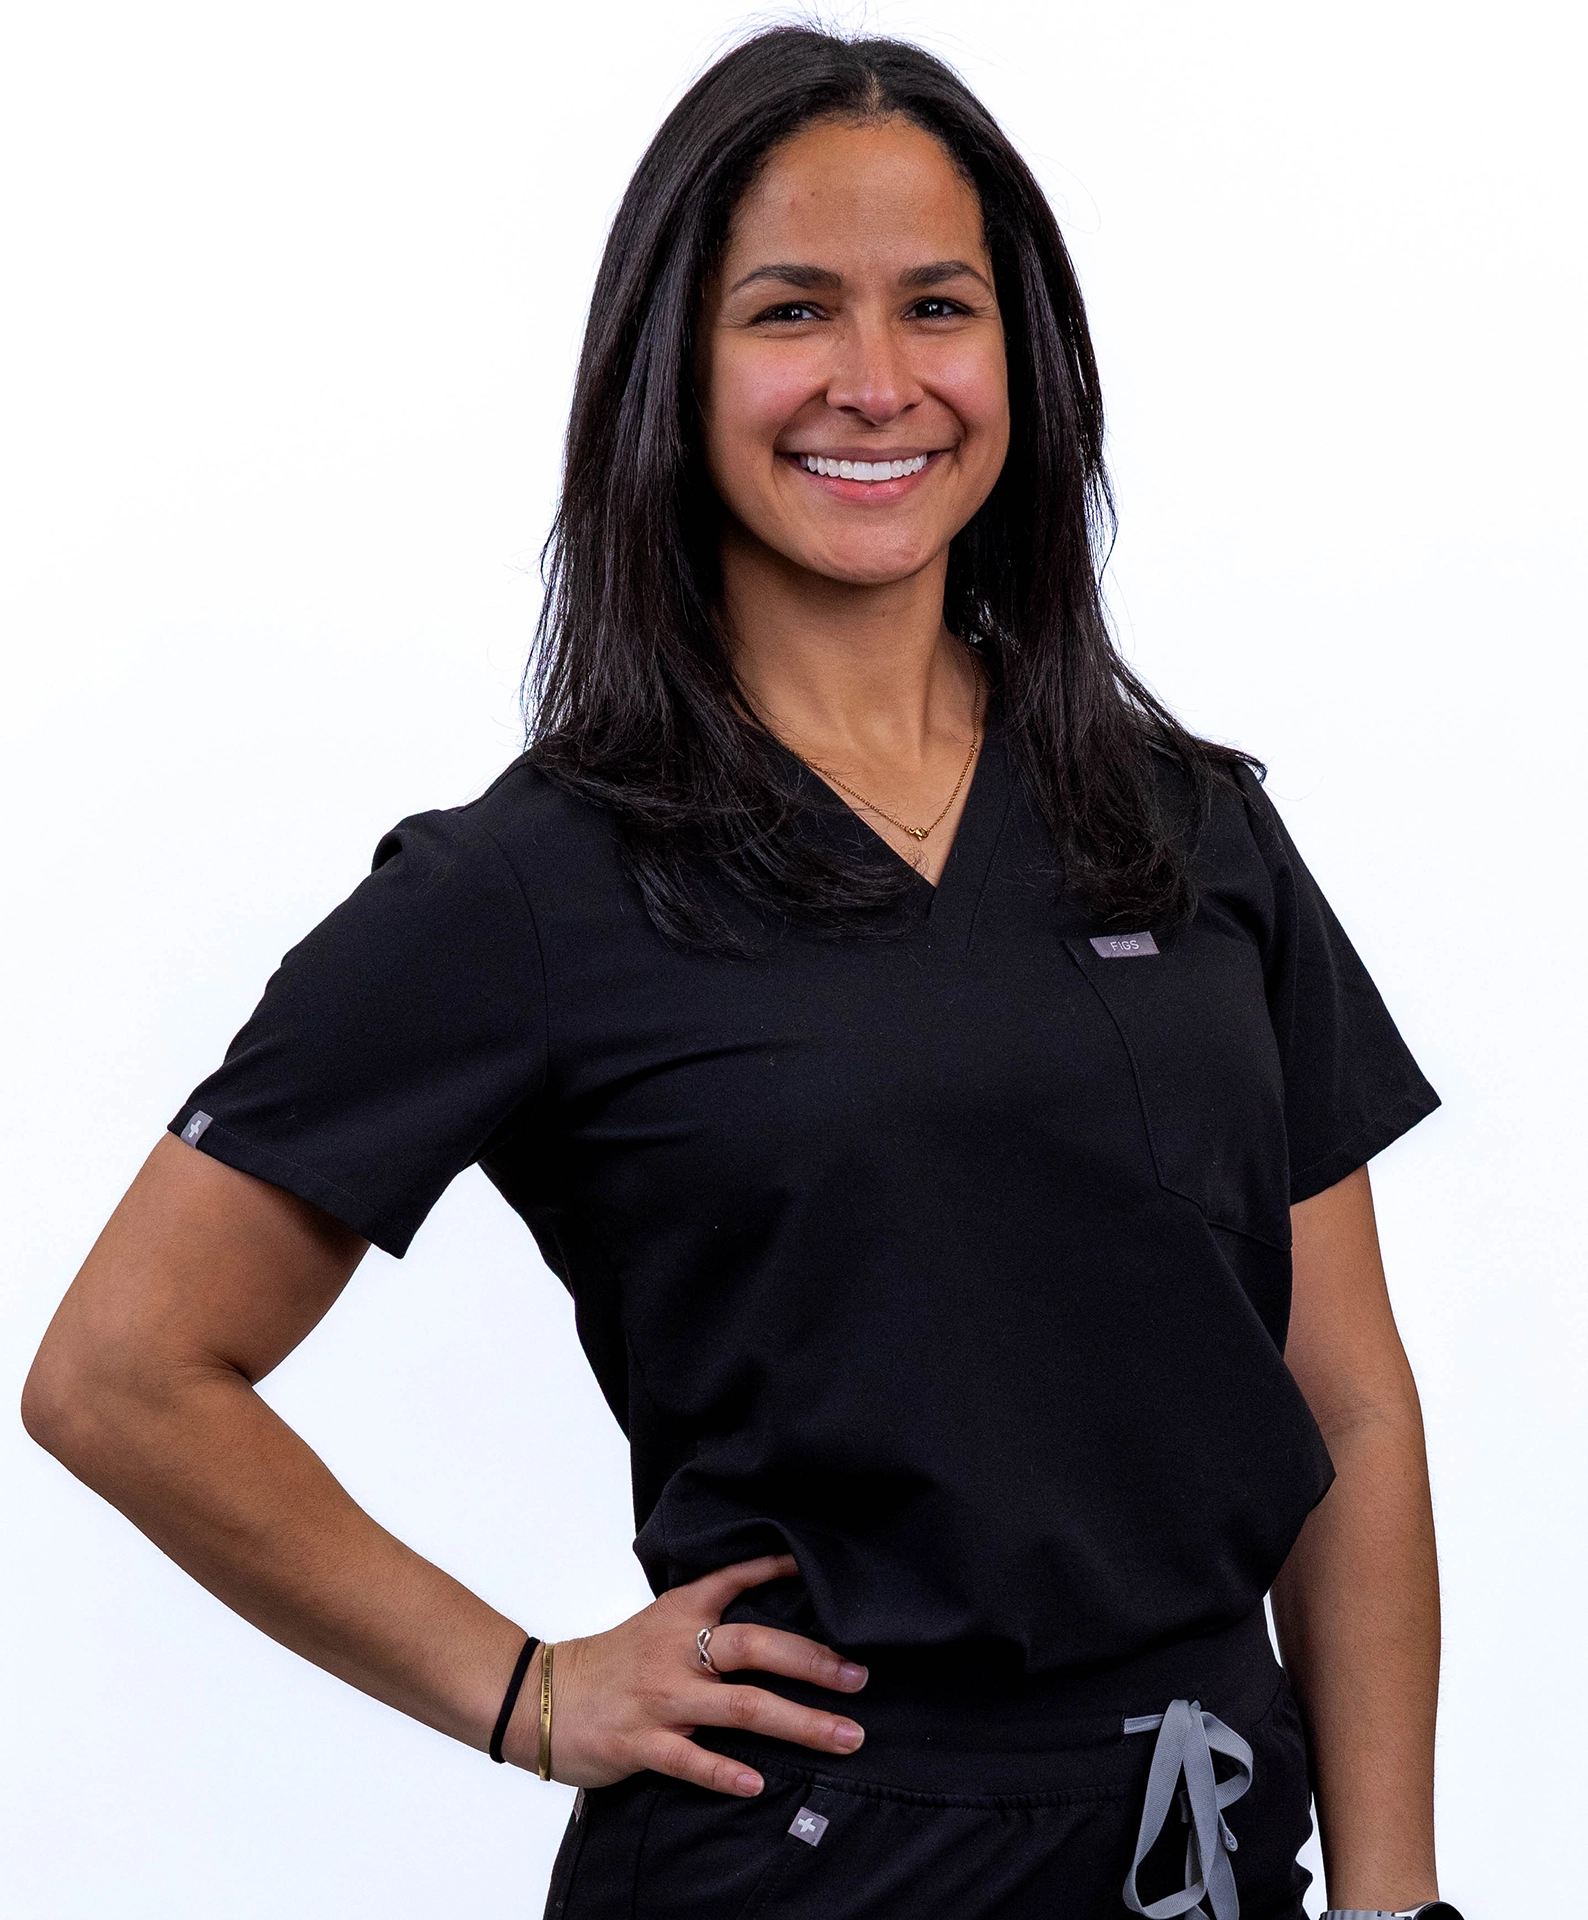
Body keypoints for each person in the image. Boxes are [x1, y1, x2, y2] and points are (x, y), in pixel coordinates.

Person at [23, 27, 1456, 1920]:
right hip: (804, 1865)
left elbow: (1345, 1409)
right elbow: (121, 1373)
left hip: (1202, 1846)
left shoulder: (1192, 832)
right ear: (674, 370)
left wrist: (1392, 1897)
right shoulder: (532, 884)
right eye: (793, 310)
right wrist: (526, 1693)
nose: (876, 381)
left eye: (936, 306)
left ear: (1019, 356)